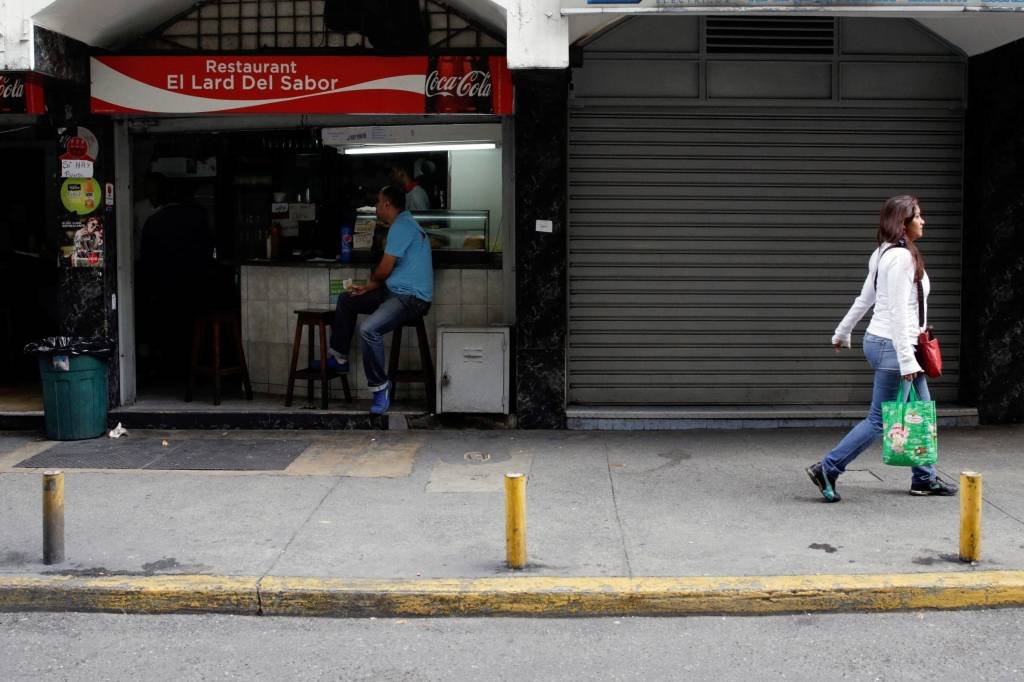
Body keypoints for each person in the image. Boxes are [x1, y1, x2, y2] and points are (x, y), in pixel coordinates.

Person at [806, 195, 957, 502]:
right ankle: (828, 467)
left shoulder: (883, 253)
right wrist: (906, 361)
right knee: (881, 419)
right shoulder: (901, 259)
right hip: (895, 346)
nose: (923, 221)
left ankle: (924, 478)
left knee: (919, 412)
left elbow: (866, 298)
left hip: (884, 342)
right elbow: (900, 313)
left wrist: (843, 331)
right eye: (919, 216)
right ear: (904, 222)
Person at [328, 185, 433, 414]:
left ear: (387, 204)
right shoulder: (402, 224)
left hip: (411, 298)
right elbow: (388, 273)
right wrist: (368, 288)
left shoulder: (402, 226)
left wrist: (374, 280)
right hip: (393, 293)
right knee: (348, 300)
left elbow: (384, 270)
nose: (376, 206)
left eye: (378, 202)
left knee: (368, 330)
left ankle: (380, 387)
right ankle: (339, 357)